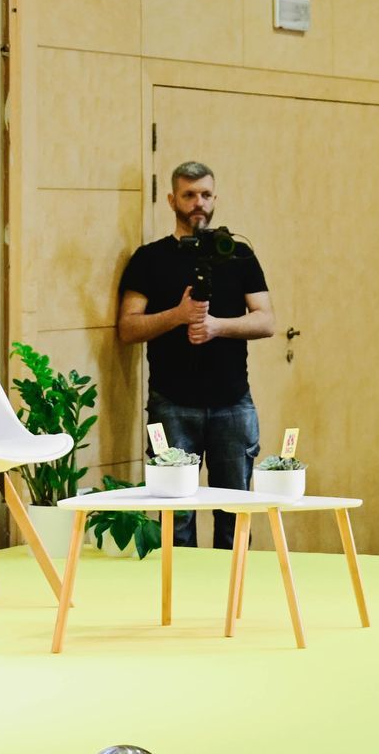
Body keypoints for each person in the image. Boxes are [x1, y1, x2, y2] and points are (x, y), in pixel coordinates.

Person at [116, 162, 276, 549]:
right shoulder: (149, 258)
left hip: (233, 403)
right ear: (172, 200)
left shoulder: (238, 254)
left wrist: (217, 326)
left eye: (205, 194)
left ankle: (234, 584)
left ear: (215, 198)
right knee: (176, 517)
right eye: (189, 195)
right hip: (172, 404)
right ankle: (180, 585)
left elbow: (266, 320)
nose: (198, 203)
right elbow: (127, 328)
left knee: (235, 513)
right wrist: (178, 315)